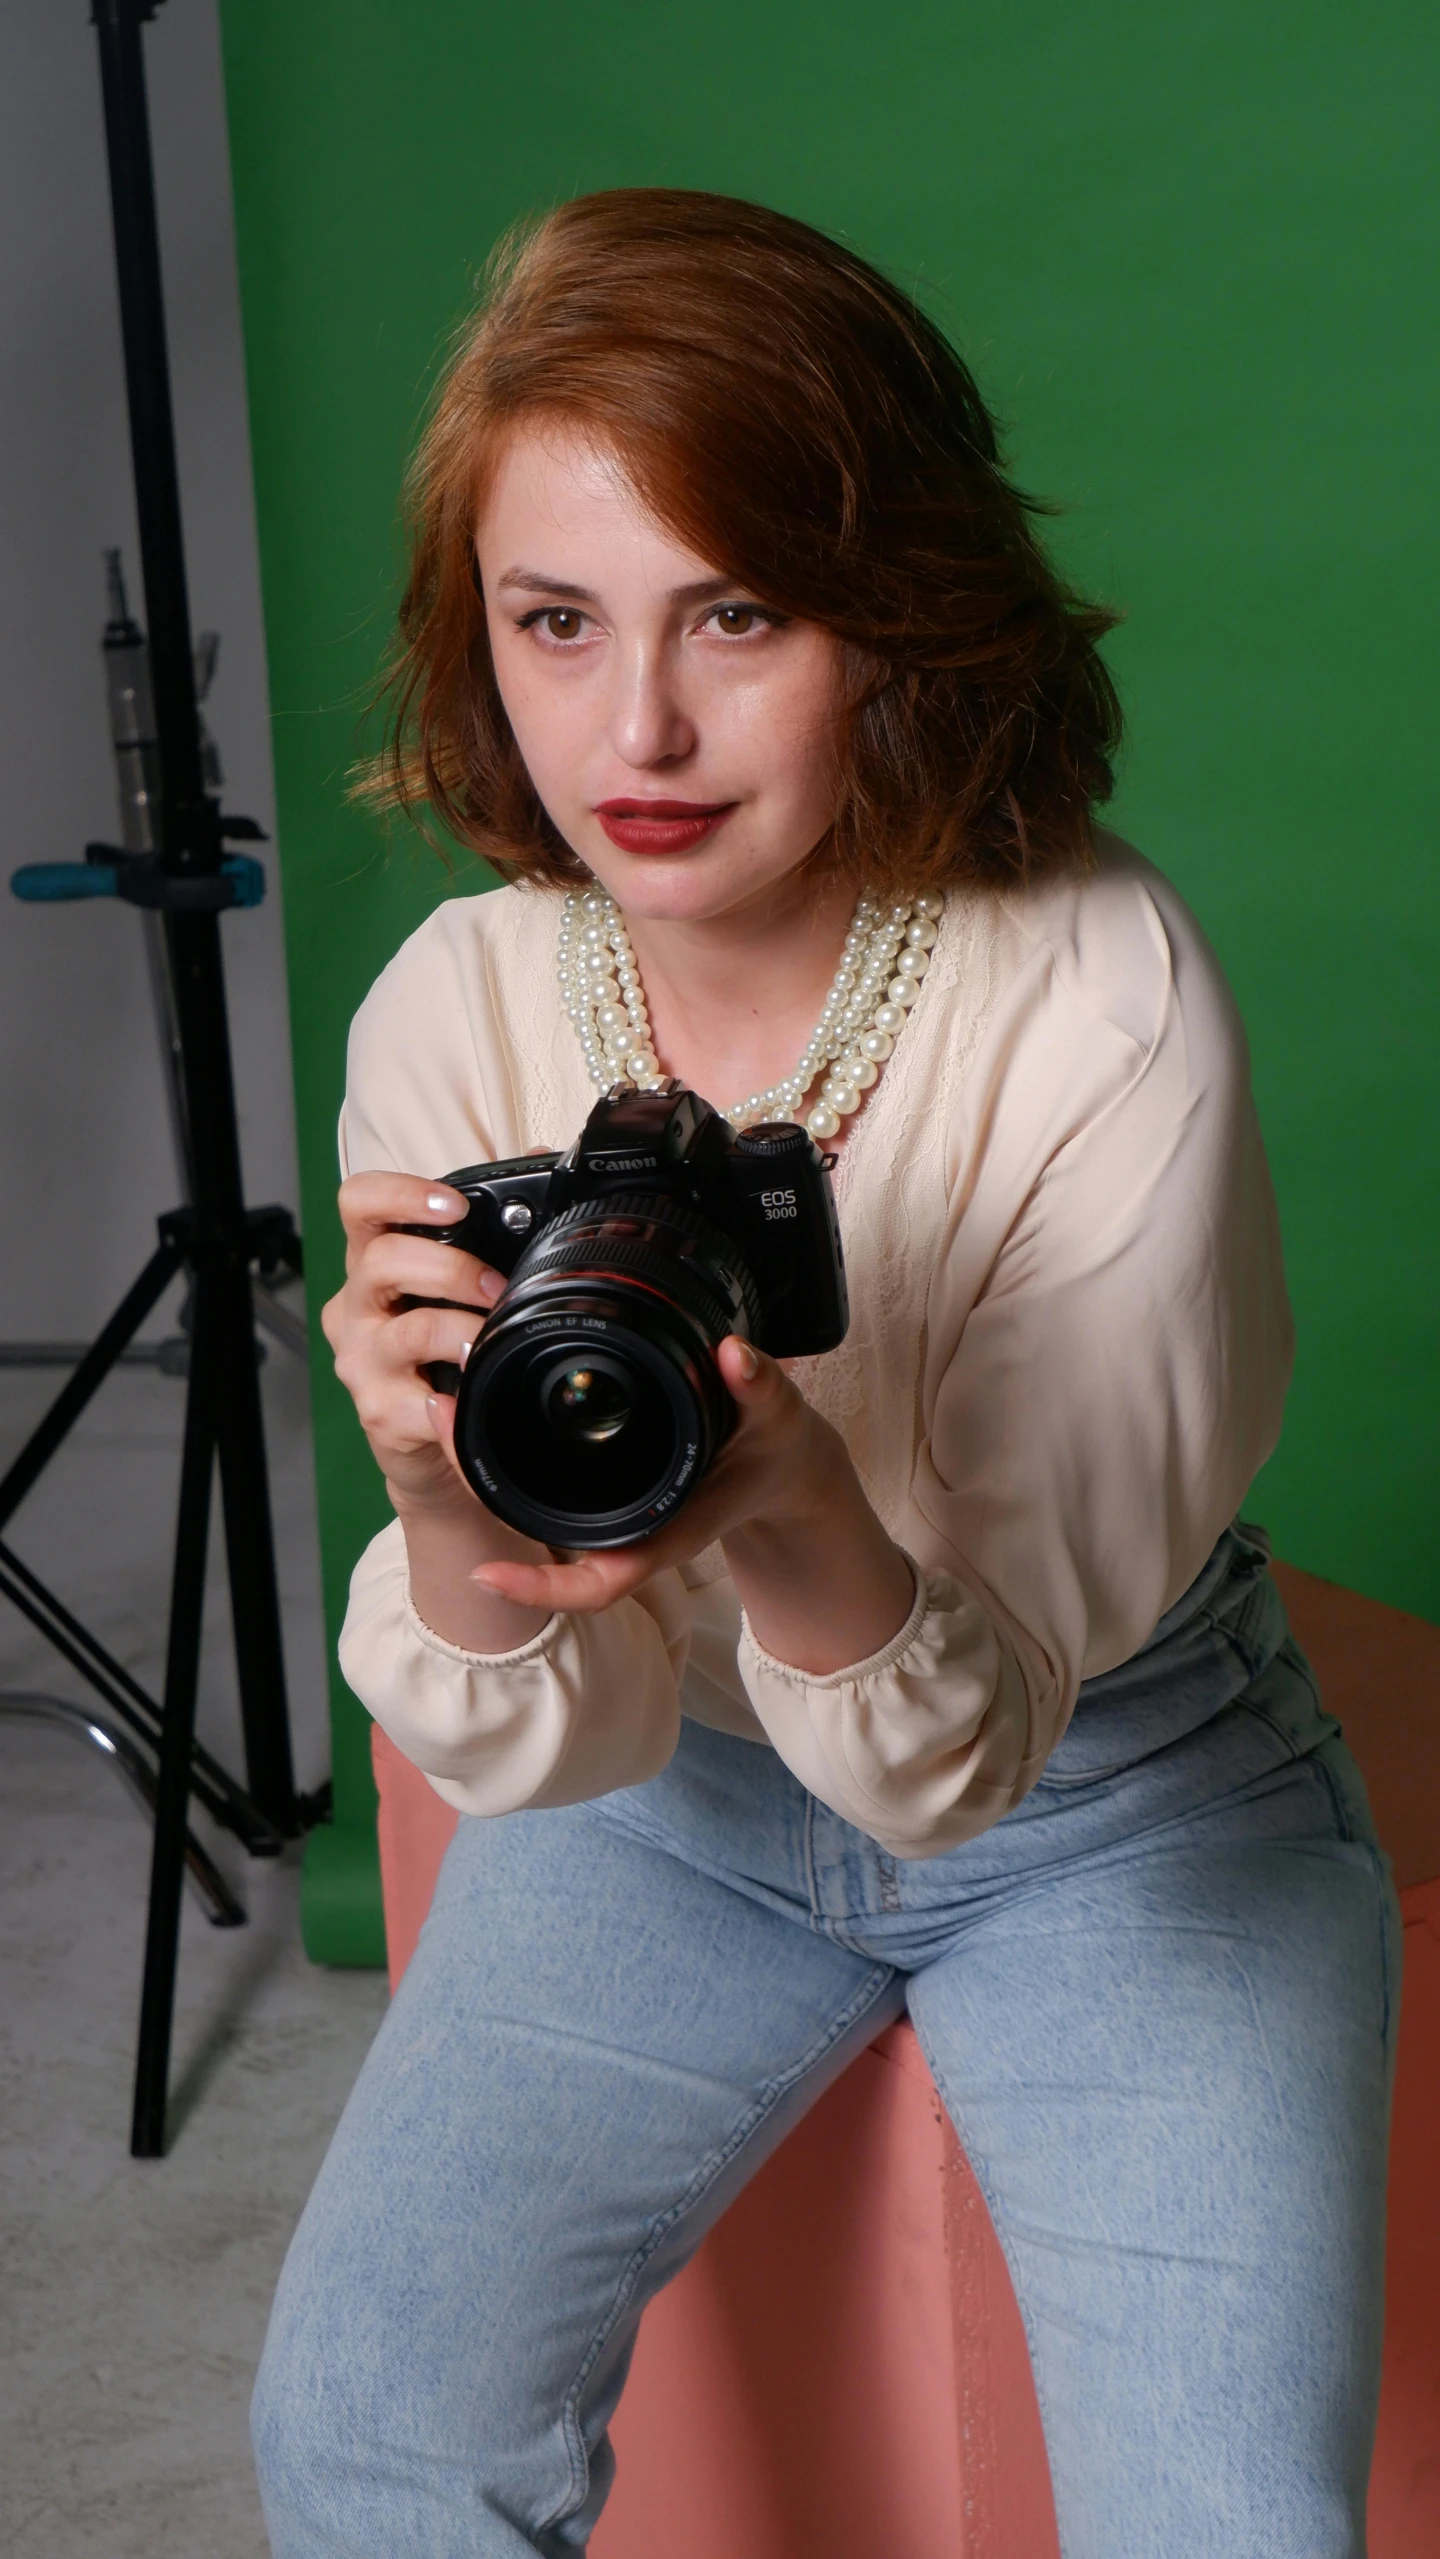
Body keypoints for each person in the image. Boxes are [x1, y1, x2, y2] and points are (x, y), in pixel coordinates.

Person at [252, 192, 1398, 2559]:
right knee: (366, 2420)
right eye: (554, 623)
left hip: (1121, 1797)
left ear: (894, 616)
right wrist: (463, 1525)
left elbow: (980, 1731)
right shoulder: (455, 1004)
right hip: (666, 1801)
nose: (635, 730)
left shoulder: (1097, 983)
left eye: (735, 615)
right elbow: (529, 1731)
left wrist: (783, 1505)